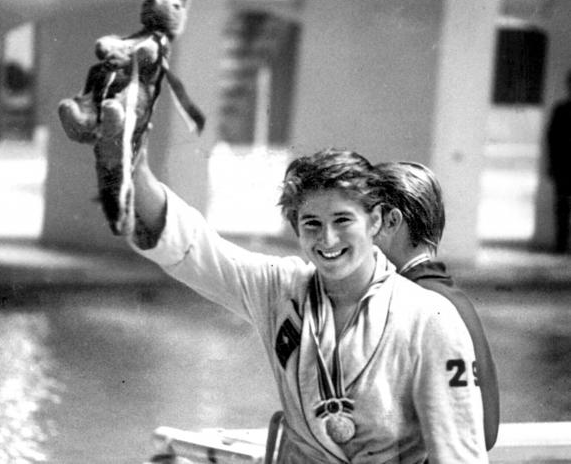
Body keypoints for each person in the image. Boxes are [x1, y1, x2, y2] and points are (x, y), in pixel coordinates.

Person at [72, 103, 486, 462]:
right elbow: (194, 248)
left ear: (375, 221)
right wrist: (133, 165)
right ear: (296, 229)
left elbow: (459, 453)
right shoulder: (282, 288)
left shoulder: (430, 317)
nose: (327, 240)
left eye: (343, 221)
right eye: (312, 224)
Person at [373, 161, 500, 451]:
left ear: (391, 221)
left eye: (363, 221)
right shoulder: (454, 299)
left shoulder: (408, 302)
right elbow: (484, 431)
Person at [546, 69, 571, 253]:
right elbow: (552, 140)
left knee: (561, 207)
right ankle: (561, 244)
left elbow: (552, 139)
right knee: (561, 207)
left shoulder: (561, 110)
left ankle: (561, 245)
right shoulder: (560, 110)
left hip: (562, 167)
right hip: (563, 167)